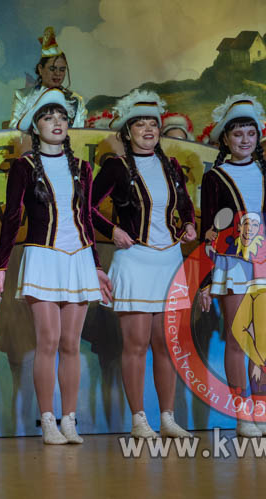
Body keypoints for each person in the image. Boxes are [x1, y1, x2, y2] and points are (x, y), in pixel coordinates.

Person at [0, 88, 111, 445]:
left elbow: (86, 220)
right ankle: (47, 421)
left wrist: (97, 267)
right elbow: (12, 218)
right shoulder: (24, 167)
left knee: (71, 344)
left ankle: (69, 420)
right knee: (48, 341)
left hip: (79, 258)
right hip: (43, 258)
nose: (56, 123)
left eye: (61, 117)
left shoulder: (82, 168)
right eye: (48, 117)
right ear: (35, 126)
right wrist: (0, 267)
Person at [92, 89, 197, 438]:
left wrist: (188, 224)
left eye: (153, 123)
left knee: (166, 345)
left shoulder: (171, 166)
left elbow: (185, 203)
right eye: (140, 124)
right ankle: (139, 420)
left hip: (169, 261)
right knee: (135, 344)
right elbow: (85, 207)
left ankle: (167, 419)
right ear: (127, 131)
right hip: (135, 260)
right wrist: (112, 230)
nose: (148, 129)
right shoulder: (116, 167)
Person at [197, 94, 266, 438]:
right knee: (237, 337)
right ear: (225, 138)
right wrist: (205, 281)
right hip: (232, 264)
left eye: (251, 134)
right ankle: (242, 417)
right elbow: (207, 231)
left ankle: (261, 414)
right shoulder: (216, 177)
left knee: (262, 339)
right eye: (237, 134)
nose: (245, 140)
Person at [9, 27, 87, 129]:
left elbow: (80, 133)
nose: (57, 74)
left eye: (62, 70)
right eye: (52, 69)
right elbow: (14, 131)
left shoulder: (76, 100)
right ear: (40, 69)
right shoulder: (22, 96)